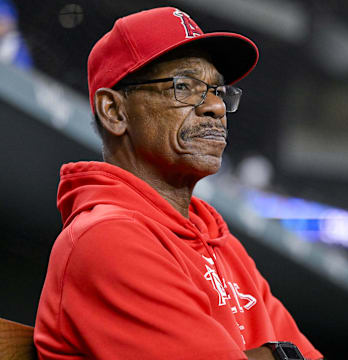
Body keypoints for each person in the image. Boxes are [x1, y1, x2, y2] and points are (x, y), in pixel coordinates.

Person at [34, 7, 323, 360]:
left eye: (218, 90)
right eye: (184, 86)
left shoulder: (224, 246)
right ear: (114, 111)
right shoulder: (106, 239)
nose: (216, 106)